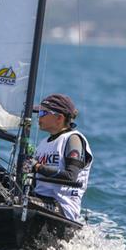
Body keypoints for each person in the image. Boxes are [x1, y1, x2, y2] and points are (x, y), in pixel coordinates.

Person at [29, 93, 93, 222]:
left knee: (22, 203)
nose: (38, 117)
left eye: (42, 114)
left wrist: (36, 166)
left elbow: (71, 176)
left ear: (59, 117)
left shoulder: (73, 139)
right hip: (39, 199)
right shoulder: (43, 143)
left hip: (63, 209)